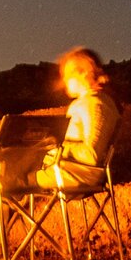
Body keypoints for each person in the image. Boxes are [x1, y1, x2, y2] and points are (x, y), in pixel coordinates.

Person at [36, 46, 118, 189]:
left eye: (69, 73)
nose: (65, 79)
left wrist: (58, 147)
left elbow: (91, 155)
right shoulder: (89, 102)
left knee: (11, 177)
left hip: (77, 174)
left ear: (85, 72)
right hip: (68, 170)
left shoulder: (95, 104)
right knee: (7, 173)